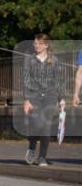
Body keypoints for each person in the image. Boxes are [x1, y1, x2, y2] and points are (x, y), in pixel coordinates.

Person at [22, 33, 65, 167]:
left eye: (40, 43)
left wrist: (61, 98)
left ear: (46, 45)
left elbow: (58, 81)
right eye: (35, 43)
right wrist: (26, 99)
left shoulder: (54, 60)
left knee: (45, 127)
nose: (37, 46)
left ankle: (42, 158)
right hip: (34, 97)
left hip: (50, 97)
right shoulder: (29, 60)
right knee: (38, 124)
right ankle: (32, 146)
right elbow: (25, 81)